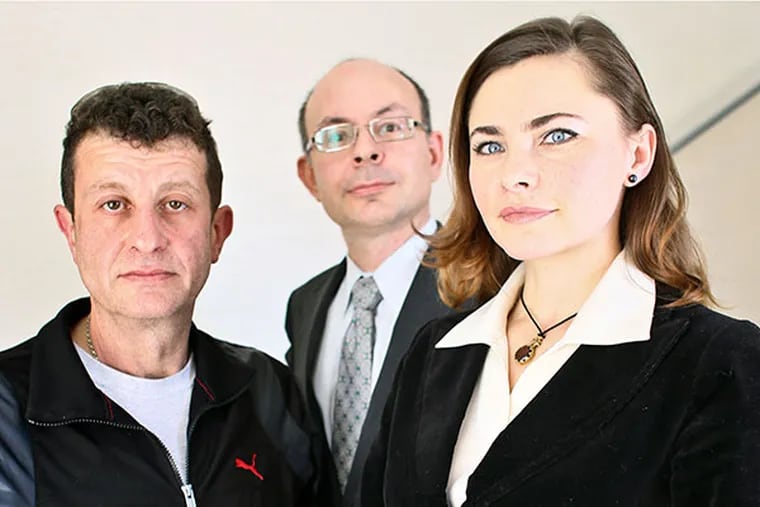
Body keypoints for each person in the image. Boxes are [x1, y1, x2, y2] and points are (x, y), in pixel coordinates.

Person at [361, 16, 760, 506]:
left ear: (638, 155)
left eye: (556, 136)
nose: (515, 174)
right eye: (489, 145)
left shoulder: (721, 365)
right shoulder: (431, 354)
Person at [0, 82, 331, 506]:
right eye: (114, 204)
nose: (147, 238)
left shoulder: (270, 394)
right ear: (71, 232)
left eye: (175, 203)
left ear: (217, 232)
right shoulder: (8, 411)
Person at [285, 58, 466, 504]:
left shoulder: (492, 287)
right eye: (336, 135)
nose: (365, 151)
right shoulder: (305, 306)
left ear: (433, 152)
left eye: (389, 127)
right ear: (309, 176)